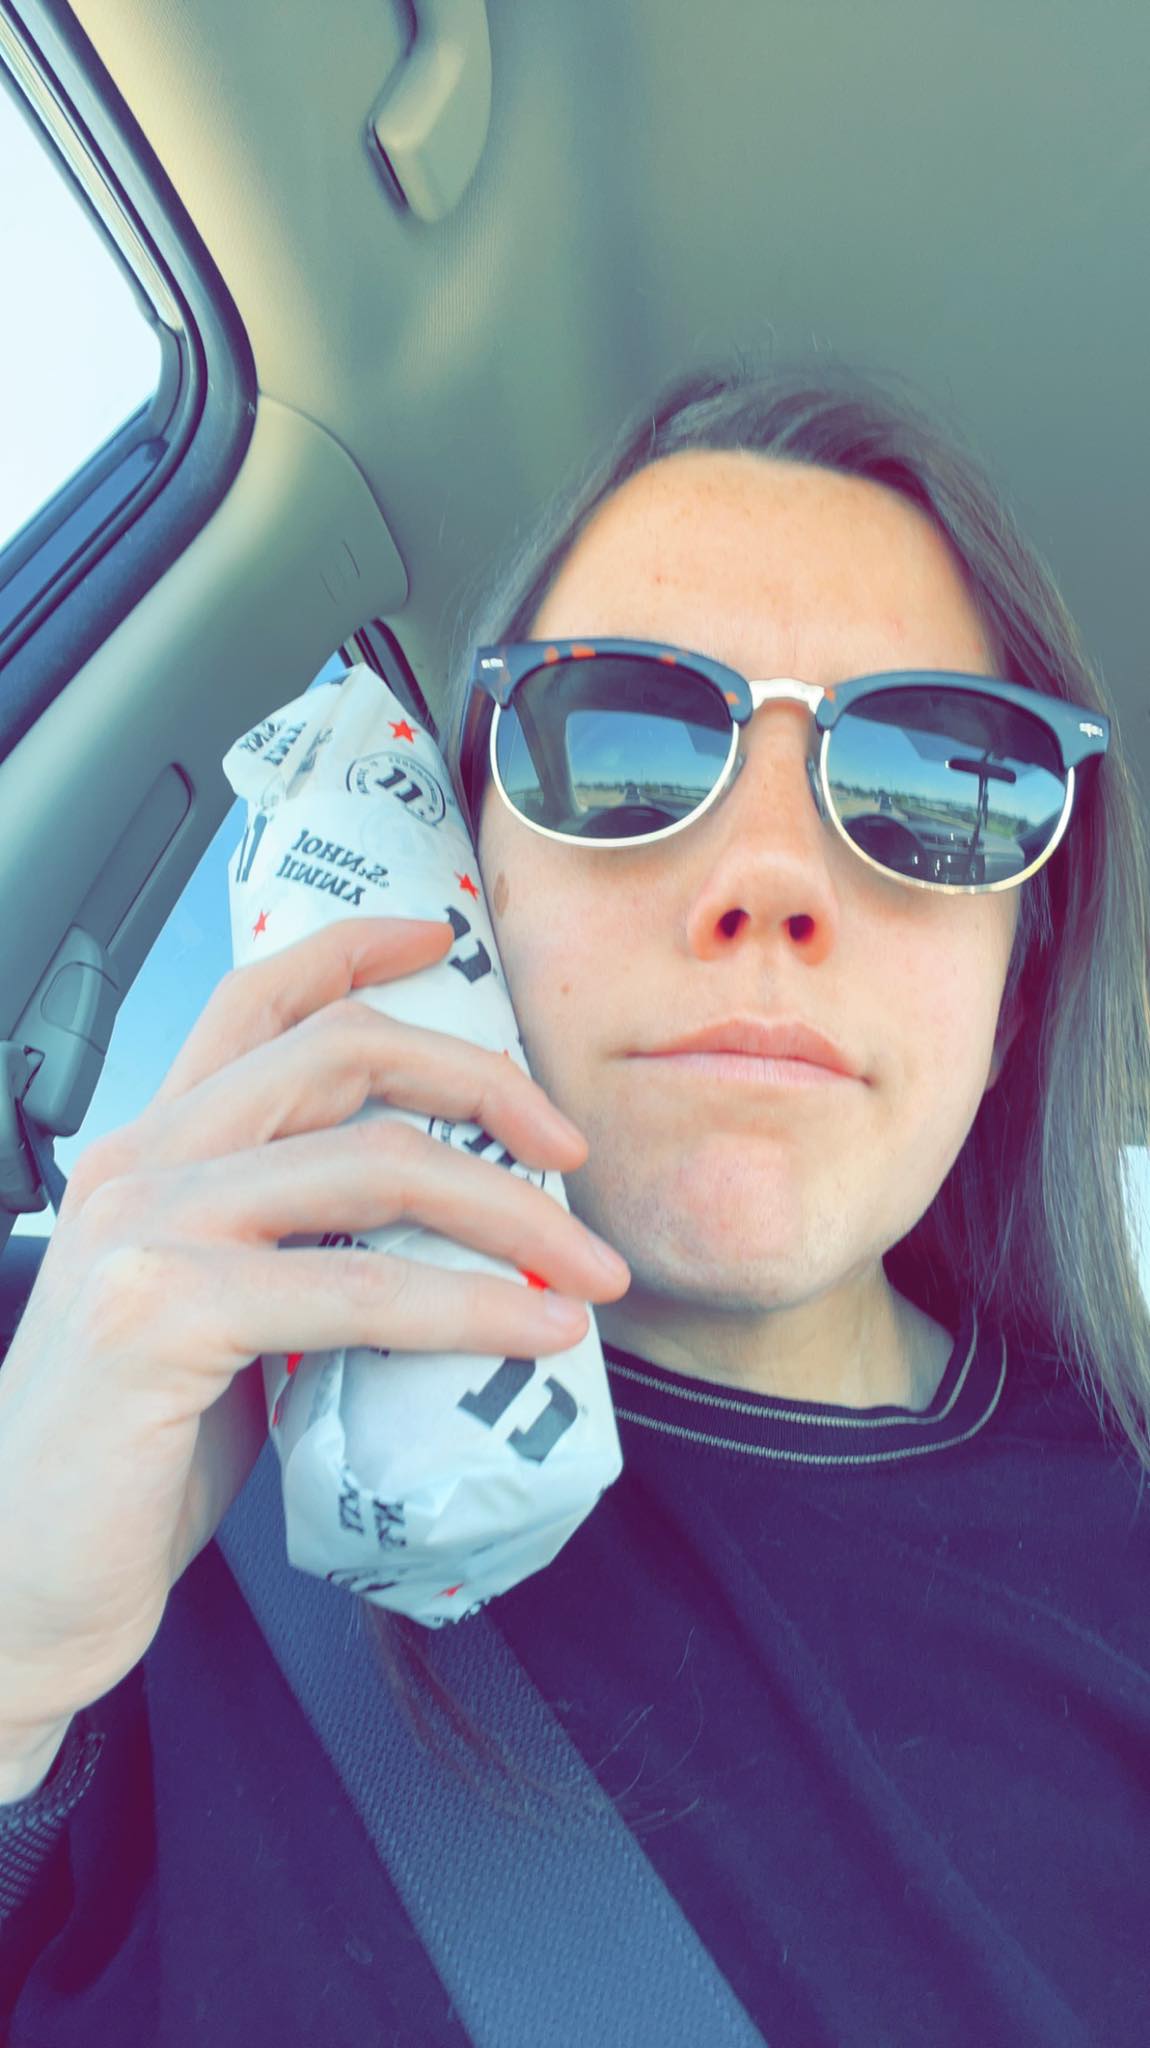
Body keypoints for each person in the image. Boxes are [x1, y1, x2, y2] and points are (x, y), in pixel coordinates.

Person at [2, 359, 1150, 2046]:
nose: (770, 880)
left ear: (1018, 977)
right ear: (466, 866)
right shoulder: (87, 1372)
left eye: (936, 783)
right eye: (620, 739)